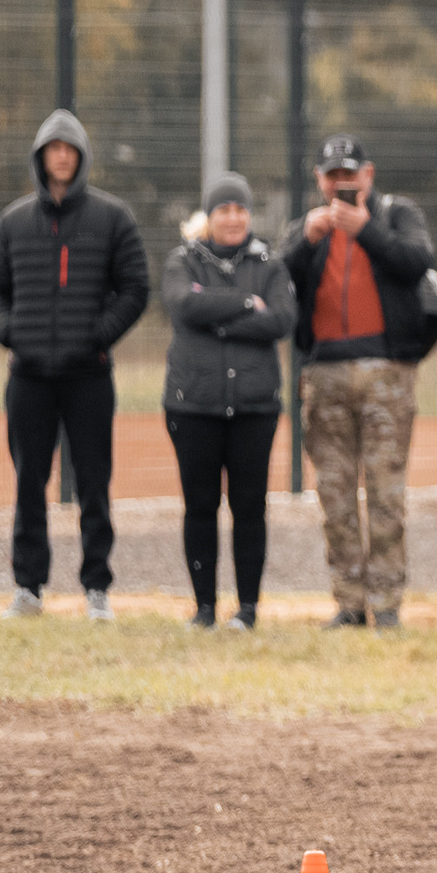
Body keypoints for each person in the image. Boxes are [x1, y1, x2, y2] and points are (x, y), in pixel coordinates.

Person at [0, 109, 148, 621]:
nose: (61, 156)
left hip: (89, 377)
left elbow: (136, 289)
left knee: (94, 484)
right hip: (28, 378)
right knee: (28, 484)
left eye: (69, 148)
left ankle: (96, 589)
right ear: (40, 157)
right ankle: (28, 588)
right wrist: (12, 333)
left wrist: (96, 336)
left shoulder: (112, 217)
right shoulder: (13, 222)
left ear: (81, 157)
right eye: (52, 148)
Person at [280, 135, 436, 630]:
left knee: (387, 493)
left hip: (387, 372)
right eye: (333, 176)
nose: (341, 184)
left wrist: (366, 230)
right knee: (335, 495)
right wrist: (305, 240)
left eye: (350, 174)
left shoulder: (396, 214)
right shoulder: (308, 228)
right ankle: (349, 602)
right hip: (324, 371)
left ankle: (386, 603)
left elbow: (417, 261)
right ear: (319, 180)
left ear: (368, 175)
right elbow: (275, 279)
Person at [160, 174, 296, 629]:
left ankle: (248, 608)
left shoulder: (271, 264)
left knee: (249, 507)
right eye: (224, 209)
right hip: (192, 406)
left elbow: (281, 319)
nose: (233, 218)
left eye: (241, 209)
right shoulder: (182, 260)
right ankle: (204, 608)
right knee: (200, 506)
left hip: (255, 408)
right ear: (210, 215)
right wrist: (247, 303)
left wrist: (215, 317)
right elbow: (184, 304)